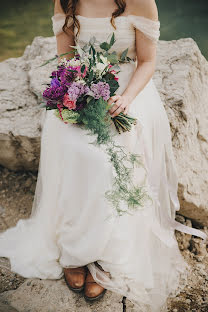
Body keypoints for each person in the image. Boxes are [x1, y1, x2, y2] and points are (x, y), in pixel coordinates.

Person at [0, 0, 207, 311]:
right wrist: (75, 90)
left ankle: (109, 251)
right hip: (83, 86)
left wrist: (125, 98)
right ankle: (75, 250)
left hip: (128, 89)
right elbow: (66, 57)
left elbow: (147, 62)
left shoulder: (140, 2)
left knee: (106, 156)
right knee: (69, 143)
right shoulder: (66, 1)